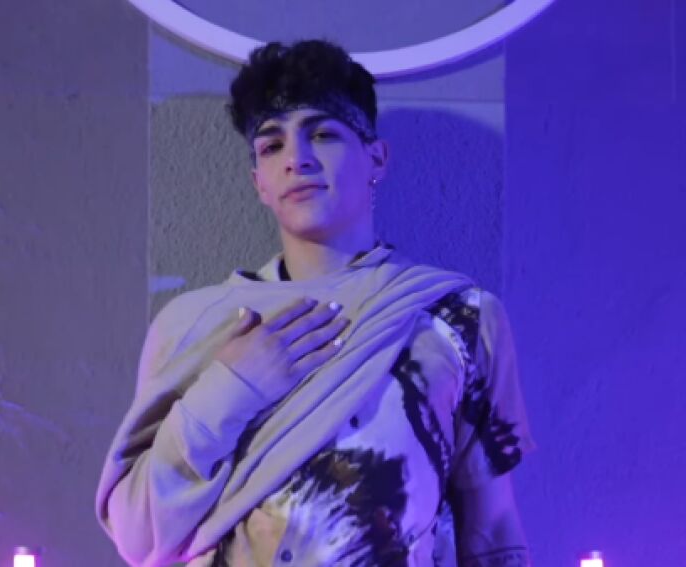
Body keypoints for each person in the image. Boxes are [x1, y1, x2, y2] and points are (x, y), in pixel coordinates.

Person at [95, 39, 535, 567]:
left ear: (376, 157)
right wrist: (231, 388)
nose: (297, 159)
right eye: (271, 145)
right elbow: (138, 536)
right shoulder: (193, 325)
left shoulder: (457, 316)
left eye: (323, 134)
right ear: (258, 182)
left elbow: (492, 526)